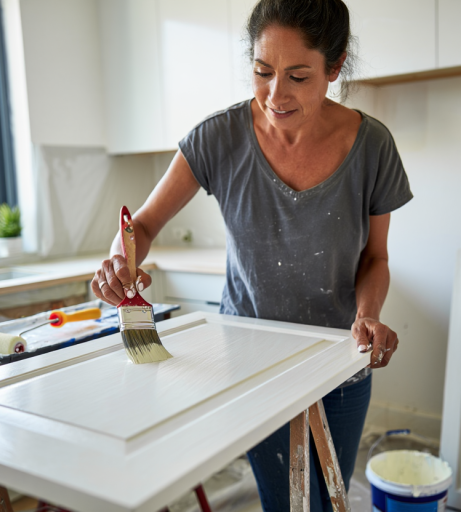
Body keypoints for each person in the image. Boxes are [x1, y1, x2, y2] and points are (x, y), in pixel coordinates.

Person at [91, 0, 412, 509]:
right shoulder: (217, 137)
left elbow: (377, 259)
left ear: (334, 67)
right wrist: (120, 264)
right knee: (282, 500)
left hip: (339, 360)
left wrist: (369, 316)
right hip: (250, 362)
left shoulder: (372, 146)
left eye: (298, 77)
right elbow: (143, 224)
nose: (275, 95)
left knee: (329, 499)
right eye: (262, 72)